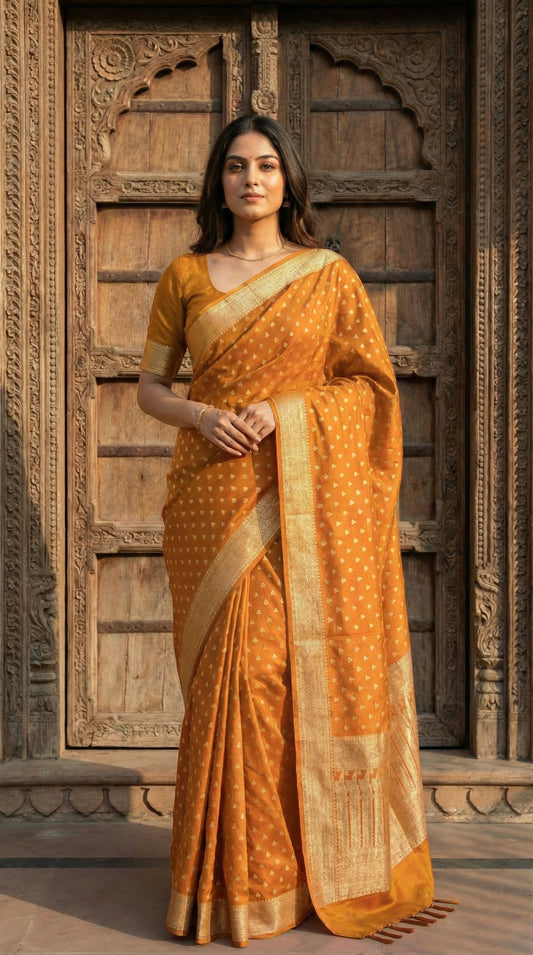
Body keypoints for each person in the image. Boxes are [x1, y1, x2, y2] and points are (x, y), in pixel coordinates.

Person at [137, 114, 442, 947]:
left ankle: (293, 872)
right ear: (218, 182)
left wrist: (286, 410)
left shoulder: (326, 275)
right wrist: (203, 415)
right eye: (235, 167)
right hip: (209, 497)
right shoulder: (186, 275)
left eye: (266, 165)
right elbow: (150, 389)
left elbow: (372, 391)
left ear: (287, 180)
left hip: (302, 496)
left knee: (272, 674)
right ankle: (228, 882)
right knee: (223, 684)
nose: (250, 180)